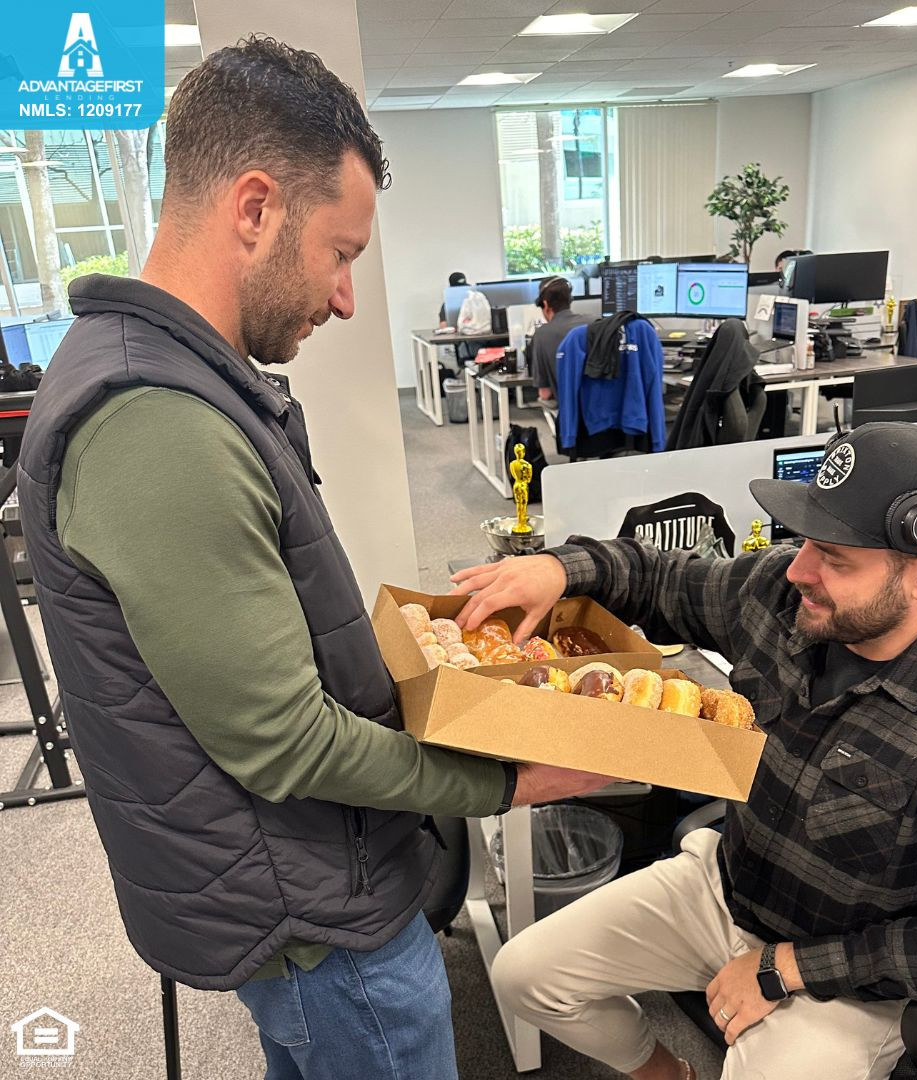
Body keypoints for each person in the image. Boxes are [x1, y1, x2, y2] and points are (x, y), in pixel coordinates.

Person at [16, 37, 610, 1080]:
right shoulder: (156, 422)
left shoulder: (172, 377)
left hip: (292, 875)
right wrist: (505, 779)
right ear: (254, 209)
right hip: (310, 908)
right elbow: (284, 746)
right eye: (340, 254)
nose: (345, 299)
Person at [450, 422, 917, 1080]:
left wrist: (787, 970)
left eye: (835, 558)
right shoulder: (783, 595)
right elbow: (661, 577)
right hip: (726, 886)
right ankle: (667, 1073)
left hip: (848, 981)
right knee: (524, 974)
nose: (800, 568)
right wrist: (560, 567)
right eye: (807, 540)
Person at [531, 276, 592, 402]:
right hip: (606, 410)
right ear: (570, 300)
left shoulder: (542, 334)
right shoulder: (595, 323)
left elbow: (545, 393)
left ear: (546, 304)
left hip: (572, 413)